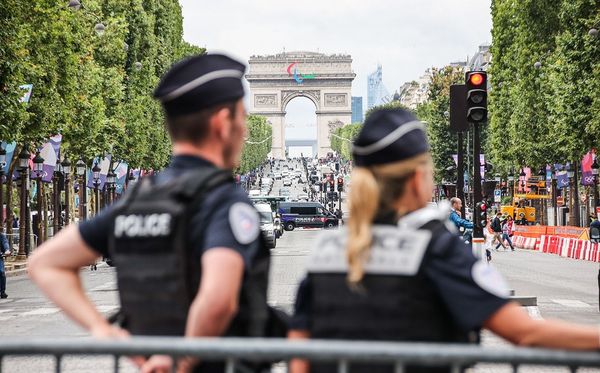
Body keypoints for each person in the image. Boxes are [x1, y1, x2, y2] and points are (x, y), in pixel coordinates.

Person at [287, 108, 600, 373]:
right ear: (416, 178)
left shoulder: (326, 250)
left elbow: (299, 359)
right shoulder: (435, 246)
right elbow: (524, 332)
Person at [28, 54, 277, 373]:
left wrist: (104, 331)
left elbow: (45, 263)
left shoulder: (137, 200)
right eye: (242, 117)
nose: (245, 131)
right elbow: (218, 299)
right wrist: (182, 359)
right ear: (221, 122)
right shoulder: (223, 201)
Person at [0, 232, 11, 298]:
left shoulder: (1, 236)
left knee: (1, 272)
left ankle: (2, 291)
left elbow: (5, 243)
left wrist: (7, 250)